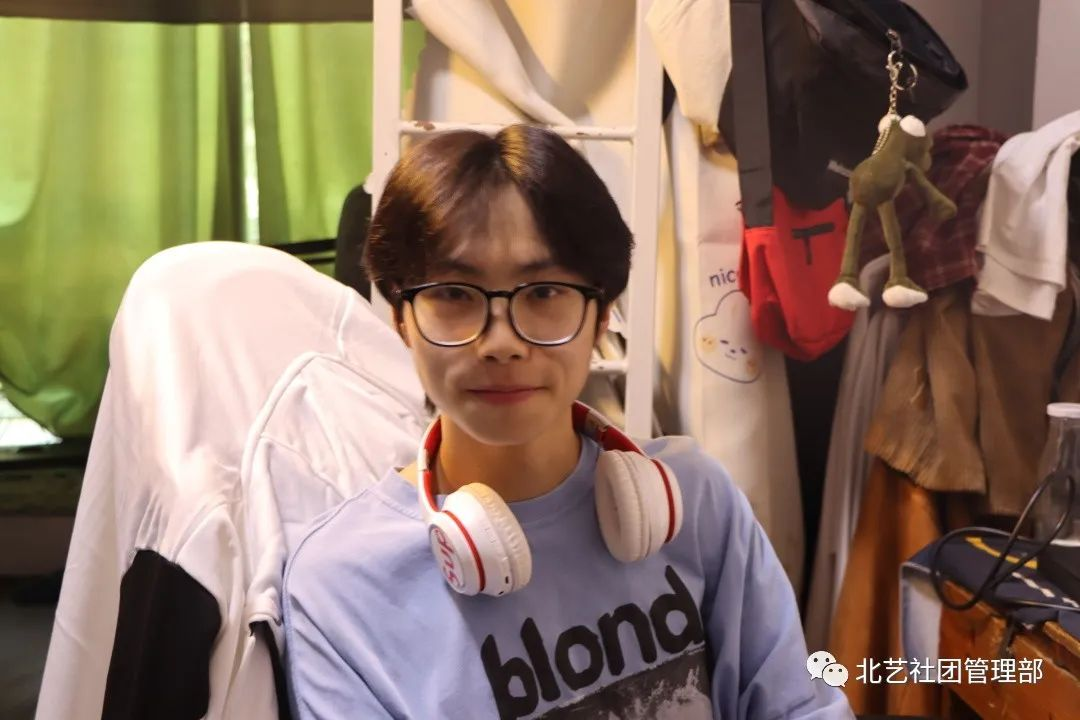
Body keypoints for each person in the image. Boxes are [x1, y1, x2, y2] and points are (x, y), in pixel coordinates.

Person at [282, 124, 853, 719]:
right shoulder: (341, 584)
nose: (501, 343)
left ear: (602, 315)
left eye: (544, 293)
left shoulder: (695, 501)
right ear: (402, 316)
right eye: (454, 294)